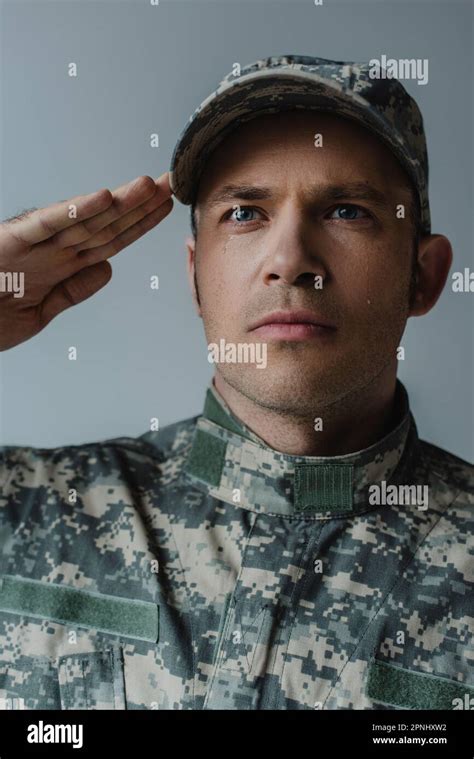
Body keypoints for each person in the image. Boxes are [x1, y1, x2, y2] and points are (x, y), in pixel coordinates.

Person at [0, 55, 472, 711]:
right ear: (194, 276)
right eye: (246, 213)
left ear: (423, 276)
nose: (289, 261)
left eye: (346, 210)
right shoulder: (25, 514)